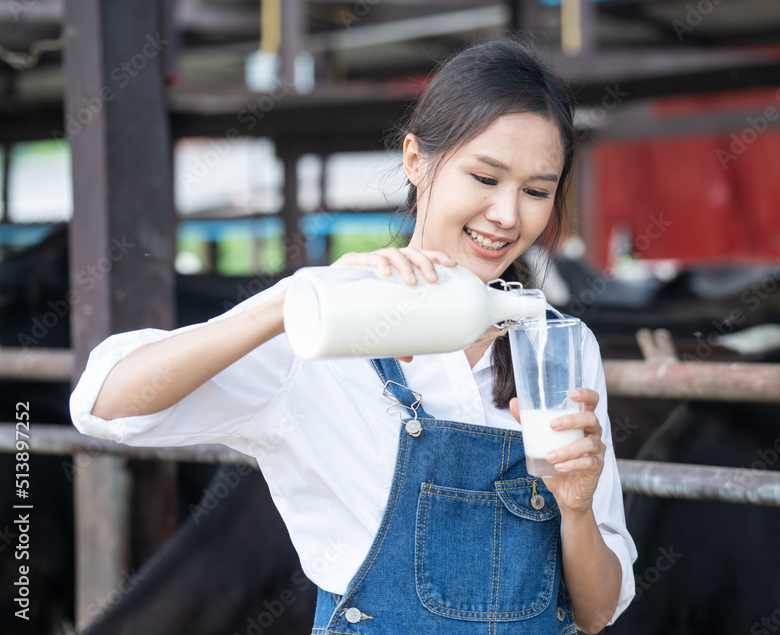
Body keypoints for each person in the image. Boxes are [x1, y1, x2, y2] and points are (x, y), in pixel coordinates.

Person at [70, 37, 636, 634]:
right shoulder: (323, 323)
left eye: (536, 191)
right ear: (417, 160)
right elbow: (103, 404)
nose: (506, 214)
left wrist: (576, 508)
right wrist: (292, 302)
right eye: (485, 177)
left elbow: (596, 613)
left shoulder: (557, 346)